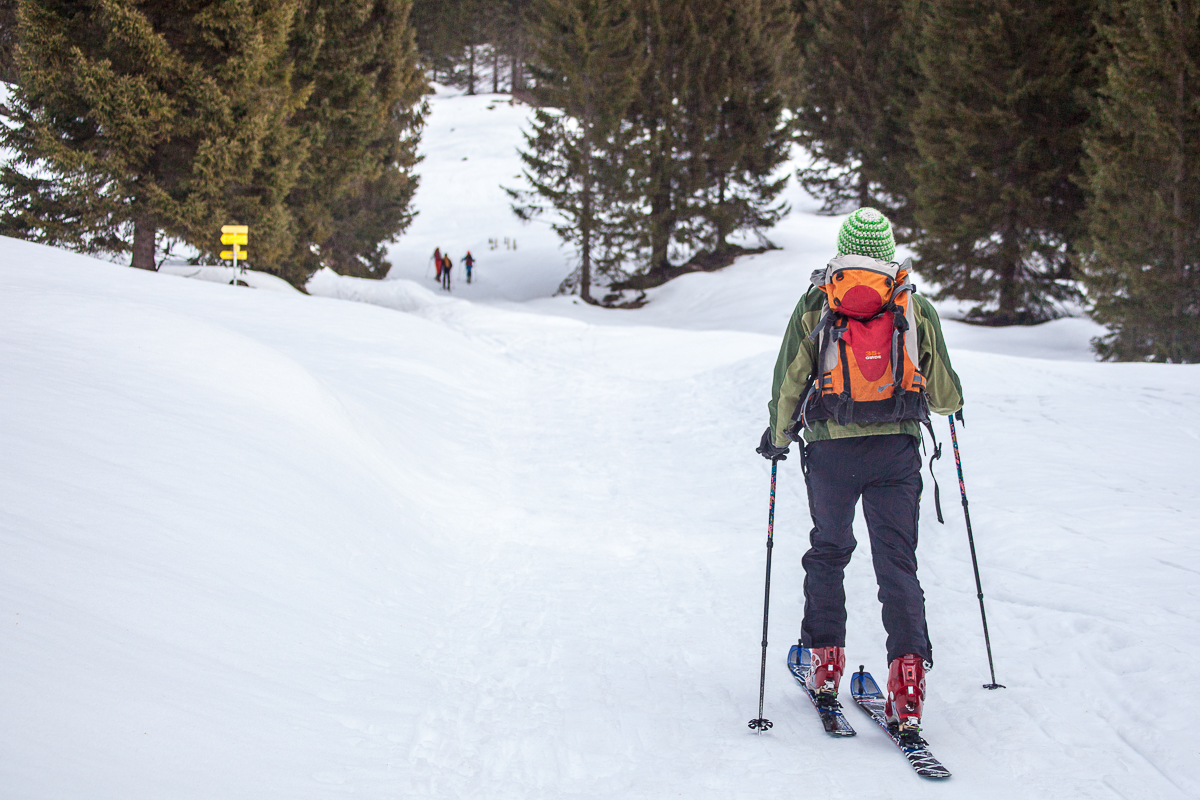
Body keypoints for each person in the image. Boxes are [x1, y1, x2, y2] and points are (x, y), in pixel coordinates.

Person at [756, 207, 963, 742]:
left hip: (831, 453)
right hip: (897, 451)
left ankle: (824, 666)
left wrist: (777, 438)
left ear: (844, 248)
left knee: (829, 551)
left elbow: (790, 378)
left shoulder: (818, 300)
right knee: (897, 563)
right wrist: (953, 399)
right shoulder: (913, 304)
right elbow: (942, 395)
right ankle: (908, 688)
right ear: (887, 250)